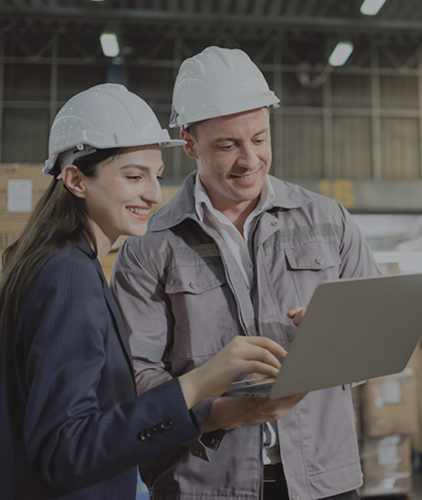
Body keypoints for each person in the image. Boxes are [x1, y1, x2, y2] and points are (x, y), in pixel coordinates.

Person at [0, 83, 288, 500]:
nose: (153, 194)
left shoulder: (65, 264)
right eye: (133, 176)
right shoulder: (69, 276)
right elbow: (66, 451)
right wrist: (201, 381)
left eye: (155, 176)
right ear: (75, 180)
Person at [111, 47, 382, 500]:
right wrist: (218, 414)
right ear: (190, 143)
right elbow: (135, 373)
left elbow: (377, 334)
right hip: (204, 484)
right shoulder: (149, 243)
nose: (249, 159)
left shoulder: (328, 220)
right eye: (228, 145)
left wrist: (335, 337)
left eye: (259, 139)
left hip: (322, 480)